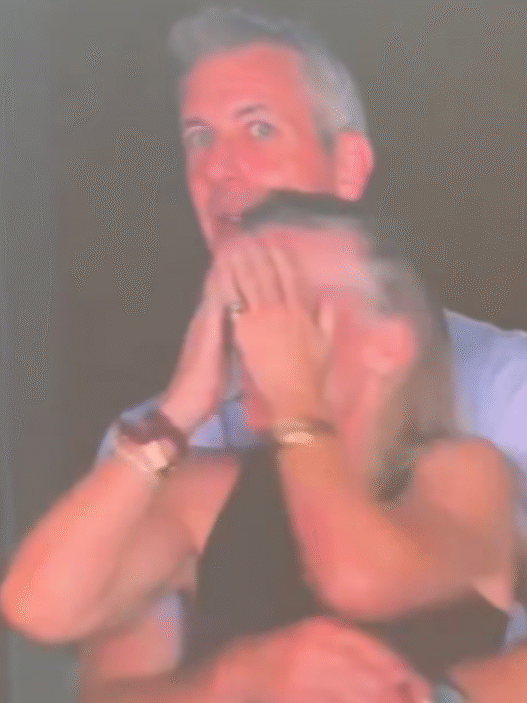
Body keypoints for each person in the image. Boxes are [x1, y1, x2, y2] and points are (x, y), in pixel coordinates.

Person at [2, 6, 527, 702]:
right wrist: (236, 679)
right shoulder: (181, 460)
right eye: (198, 137)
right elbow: (50, 623)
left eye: (258, 128)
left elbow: (357, 577)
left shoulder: (491, 417)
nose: (219, 167)